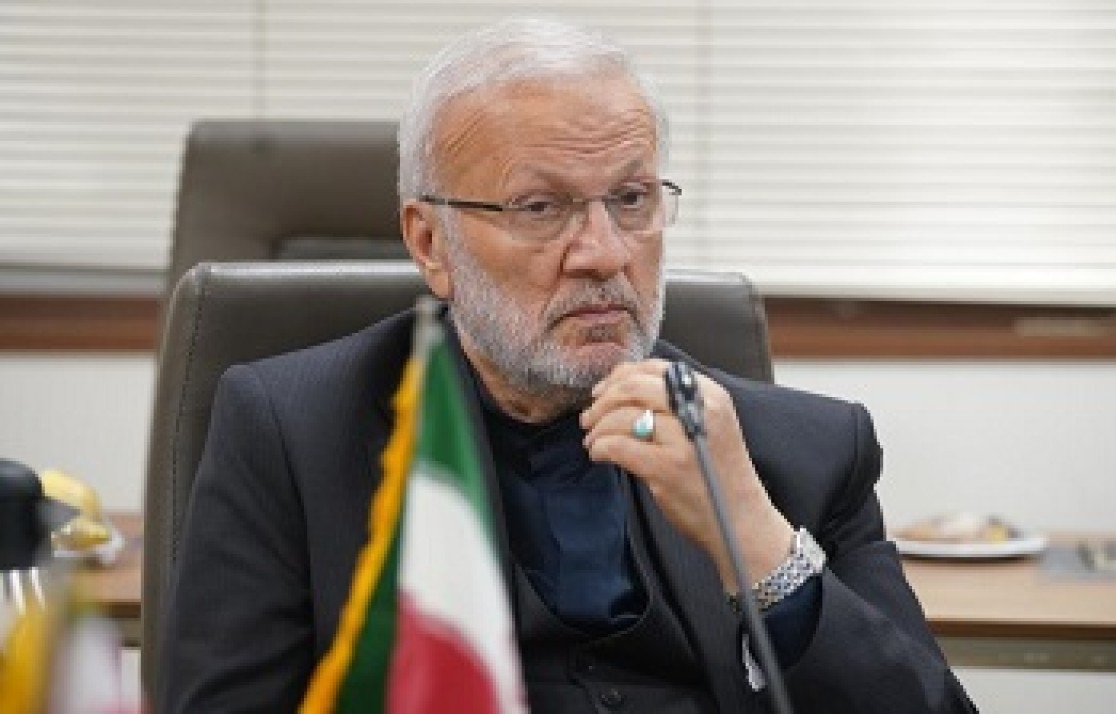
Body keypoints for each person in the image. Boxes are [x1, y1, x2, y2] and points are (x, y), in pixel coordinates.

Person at [161, 17, 977, 713]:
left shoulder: (805, 451)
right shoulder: (293, 431)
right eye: (540, 207)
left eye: (631, 199)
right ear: (430, 242)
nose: (605, 253)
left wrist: (756, 541)